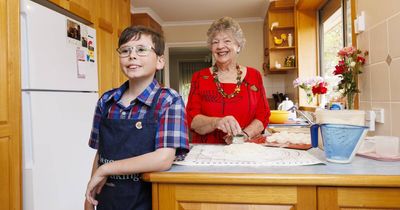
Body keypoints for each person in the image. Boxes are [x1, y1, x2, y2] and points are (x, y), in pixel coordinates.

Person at [84, 26, 189, 210]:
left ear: (160, 61)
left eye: (141, 49)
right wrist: (89, 196)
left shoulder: (169, 100)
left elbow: (163, 159)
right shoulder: (106, 101)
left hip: (146, 202)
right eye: (125, 50)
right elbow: (100, 153)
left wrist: (106, 169)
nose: (132, 55)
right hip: (108, 202)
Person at [186, 17, 271, 144]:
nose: (220, 46)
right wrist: (217, 122)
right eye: (215, 42)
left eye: (227, 41)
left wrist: (242, 136)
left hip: (245, 150)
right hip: (208, 152)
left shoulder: (254, 76)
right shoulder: (199, 77)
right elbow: (192, 120)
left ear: (238, 46)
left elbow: (263, 115)